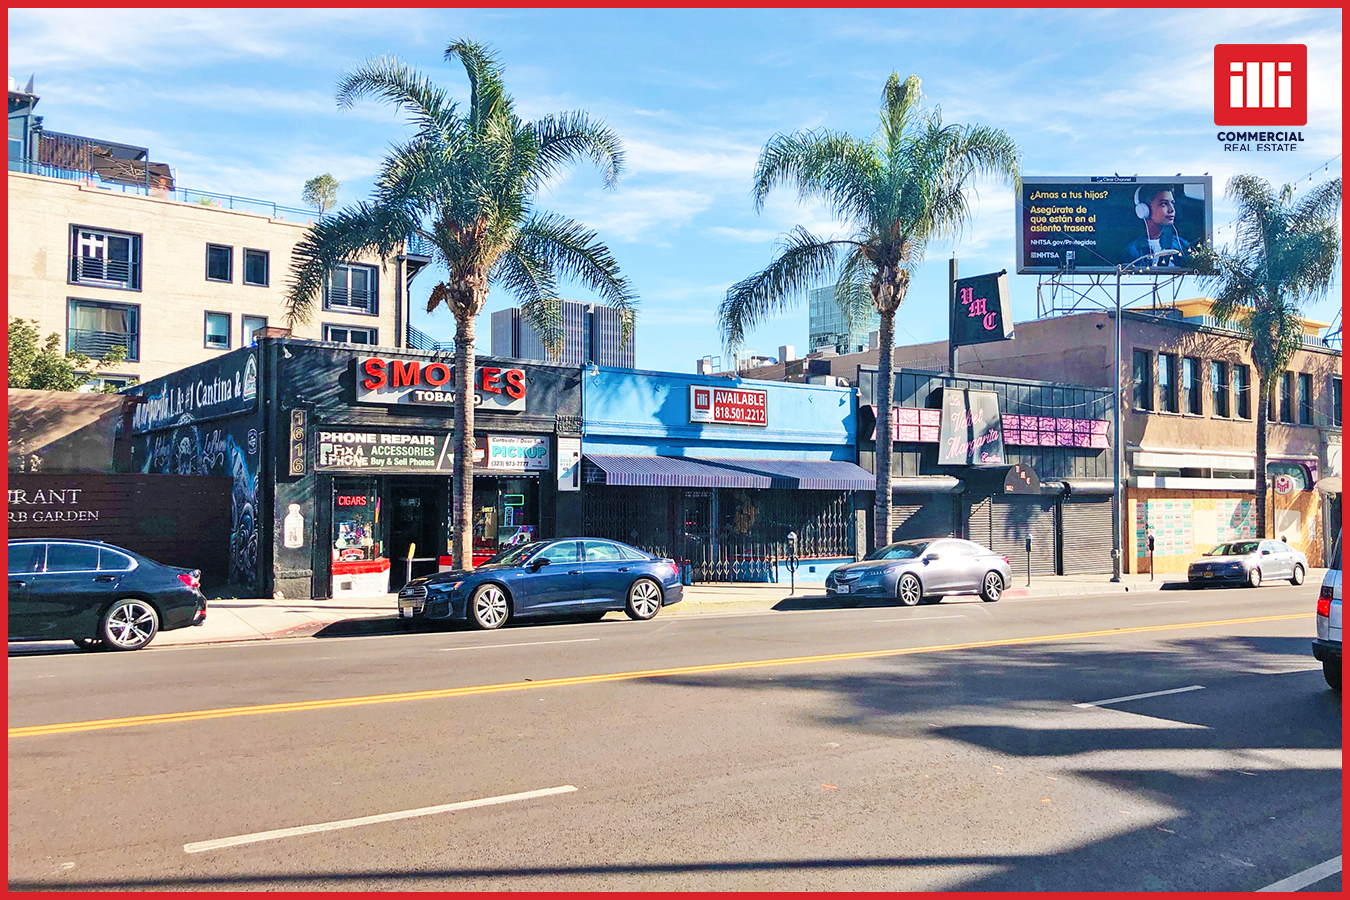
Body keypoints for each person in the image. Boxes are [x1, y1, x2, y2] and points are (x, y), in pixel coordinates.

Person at [1119, 185, 1192, 268]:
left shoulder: (1182, 246)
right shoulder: (1132, 251)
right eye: (1164, 204)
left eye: (1172, 203)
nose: (1171, 209)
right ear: (1144, 210)